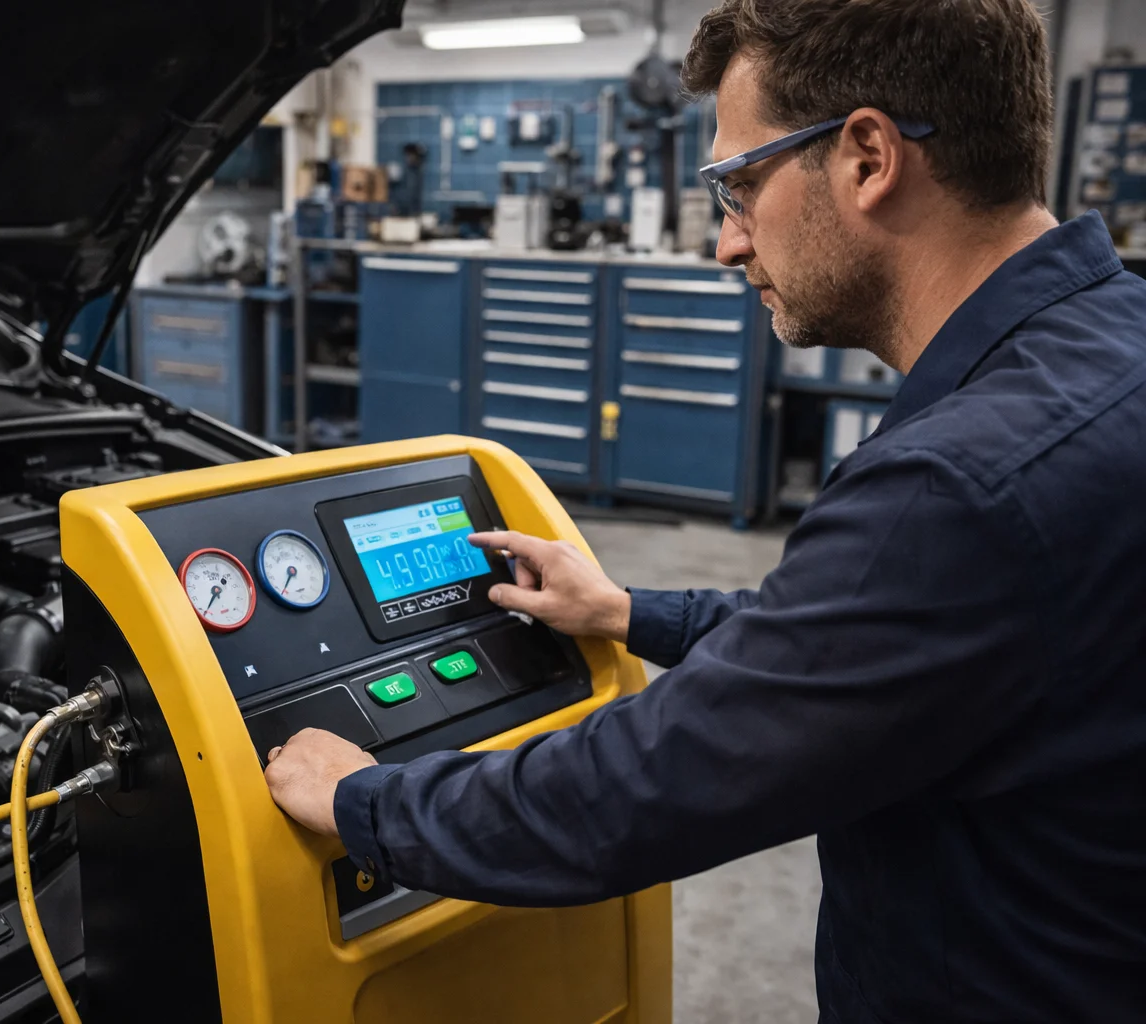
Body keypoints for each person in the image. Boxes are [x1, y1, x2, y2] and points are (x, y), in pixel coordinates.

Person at [265, 0, 1146, 1019]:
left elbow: (639, 791)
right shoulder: (1110, 350)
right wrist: (630, 615)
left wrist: (359, 799)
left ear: (867, 156)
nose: (730, 245)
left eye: (740, 183)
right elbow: (886, 648)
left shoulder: (959, 487)